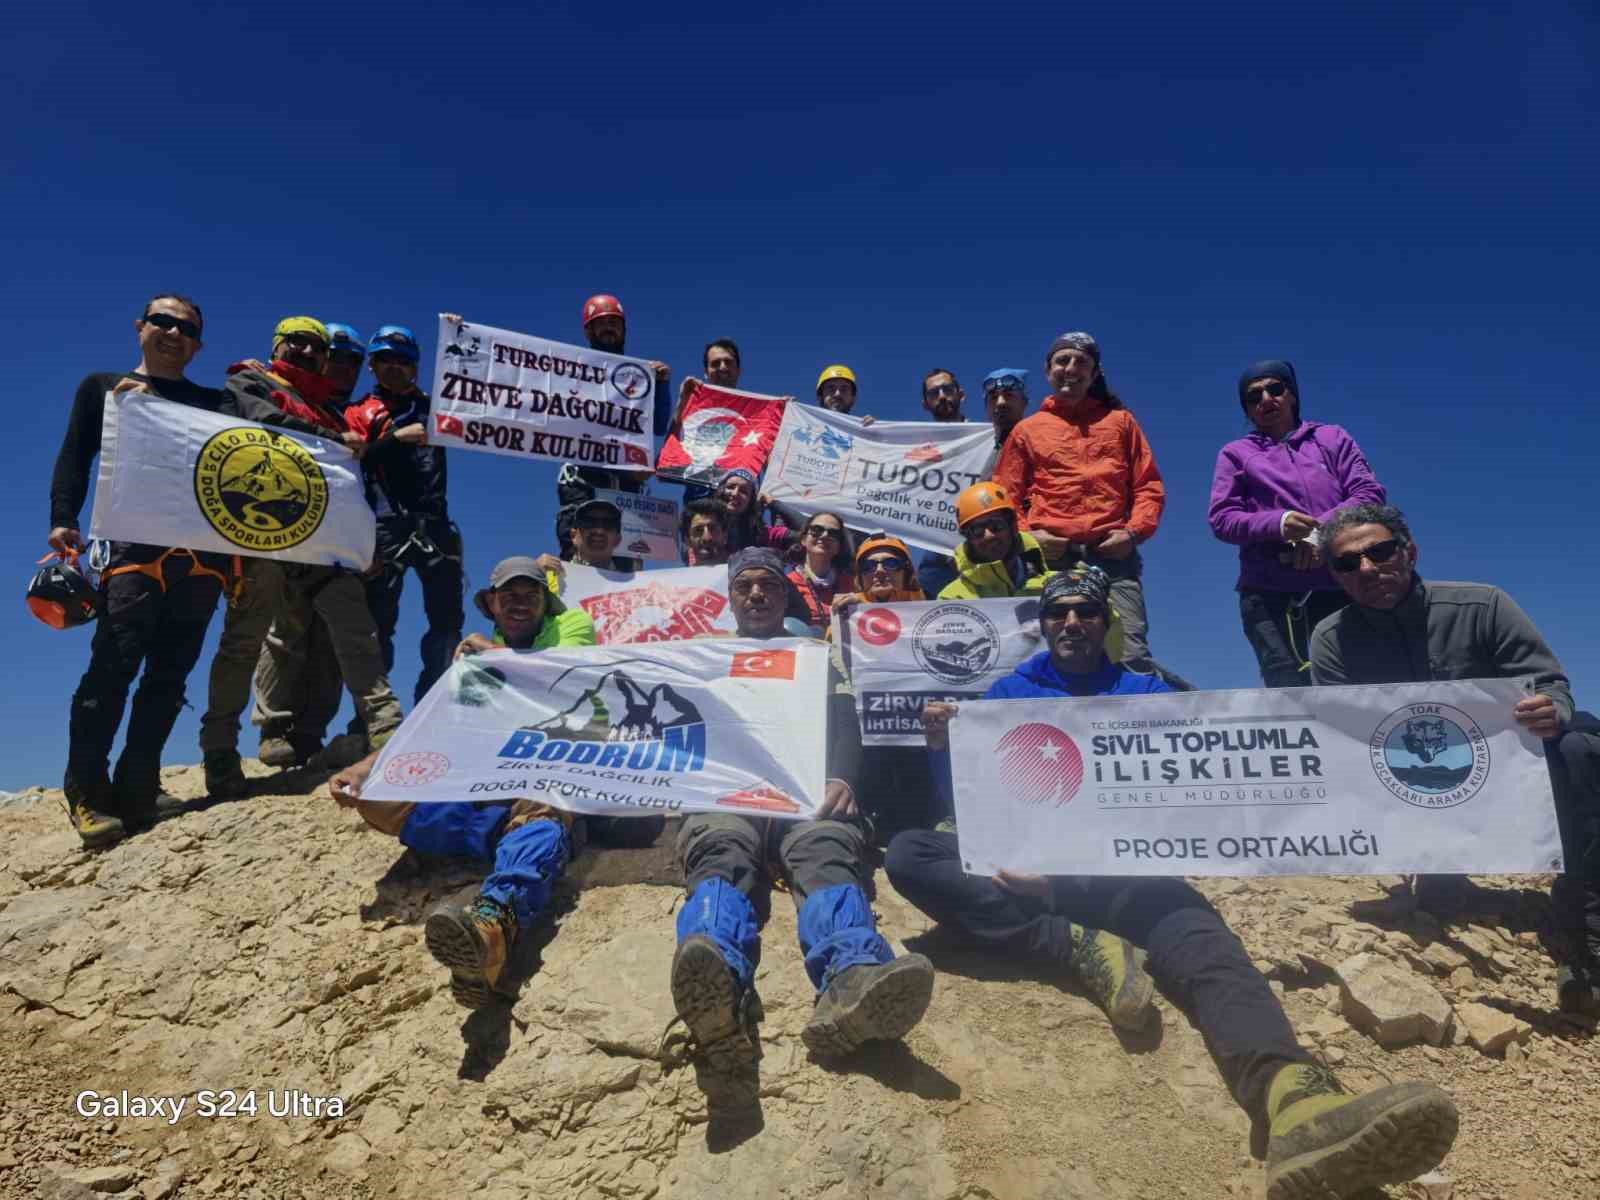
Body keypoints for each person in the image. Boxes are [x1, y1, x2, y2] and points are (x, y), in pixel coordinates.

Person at [888, 566, 1460, 1200]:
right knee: (912, 853)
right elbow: (968, 806)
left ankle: (1296, 1102)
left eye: (1085, 611)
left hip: (1134, 881)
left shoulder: (1149, 694)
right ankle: (1074, 944)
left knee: (1213, 955)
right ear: (1044, 625)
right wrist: (945, 747)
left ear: (1106, 622)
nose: (1072, 622)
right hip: (1033, 882)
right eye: (1058, 613)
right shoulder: (1001, 698)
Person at [670, 548, 935, 1109]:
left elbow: (846, 719)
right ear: (731, 599)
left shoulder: (815, 653)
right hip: (729, 796)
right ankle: (714, 974)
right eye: (746, 587)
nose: (758, 595)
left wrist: (844, 776)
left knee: (826, 850)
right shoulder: (701, 657)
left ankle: (853, 976)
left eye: (769, 585)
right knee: (719, 849)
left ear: (787, 596)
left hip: (802, 795)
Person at [1309, 503, 1600, 1012]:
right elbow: (1344, 742)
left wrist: (1552, 709)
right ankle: (1441, 875)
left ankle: (1585, 928)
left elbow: (1550, 682)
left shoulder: (1483, 605)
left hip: (1514, 763)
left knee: (1579, 748)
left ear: (1410, 551)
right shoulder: (1329, 641)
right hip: (1416, 775)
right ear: (1335, 575)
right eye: (1347, 563)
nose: (1367, 569)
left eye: (1379, 551)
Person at [328, 557, 596, 1008]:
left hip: (538, 778)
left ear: (543, 605)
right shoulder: (474, 669)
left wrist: (492, 656)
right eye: (508, 594)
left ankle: (494, 927)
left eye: (530, 595)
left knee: (545, 800)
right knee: (375, 796)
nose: (519, 602)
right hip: (477, 790)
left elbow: (562, 675)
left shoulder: (563, 639)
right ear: (490, 604)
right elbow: (433, 728)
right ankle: (496, 840)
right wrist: (364, 769)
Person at [48, 293, 233, 846]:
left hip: (202, 559)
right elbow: (75, 454)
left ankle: (138, 785)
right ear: (139, 327)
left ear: (198, 344)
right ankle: (85, 791)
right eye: (163, 321)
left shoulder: (215, 404)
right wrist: (63, 517)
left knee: (170, 675)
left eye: (186, 328)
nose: (174, 332)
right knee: (114, 664)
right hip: (133, 551)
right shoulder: (105, 389)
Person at [199, 316, 403, 798]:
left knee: (356, 633)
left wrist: (362, 543)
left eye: (317, 348)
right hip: (261, 536)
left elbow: (353, 487)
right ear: (277, 346)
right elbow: (260, 420)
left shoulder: (330, 411)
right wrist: (331, 440)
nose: (309, 354)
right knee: (245, 641)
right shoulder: (249, 381)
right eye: (299, 344)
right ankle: (221, 753)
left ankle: (387, 729)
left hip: (322, 544)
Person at [994, 332, 1167, 675]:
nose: (1071, 368)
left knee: (1131, 656)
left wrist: (1132, 534)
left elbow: (1148, 486)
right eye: (1062, 361)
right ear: (1048, 371)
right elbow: (1005, 498)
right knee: (1043, 660)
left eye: (1081, 362)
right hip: (1049, 565)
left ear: (1094, 372)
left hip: (1114, 563)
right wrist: (1031, 540)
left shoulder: (1121, 422)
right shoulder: (1027, 430)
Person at [1209, 361, 1386, 688]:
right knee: (1288, 692)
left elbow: (1369, 493)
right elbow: (1222, 519)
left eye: (1275, 388)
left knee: (1357, 686)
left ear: (1292, 395)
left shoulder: (1331, 438)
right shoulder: (1234, 454)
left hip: (1342, 586)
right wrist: (1279, 523)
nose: (1265, 398)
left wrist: (1321, 534)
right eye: (1253, 396)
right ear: (1247, 410)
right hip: (1268, 596)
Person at [342, 325, 464, 705]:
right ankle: (373, 715)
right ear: (372, 366)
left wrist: (460, 337)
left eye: (404, 361)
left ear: (416, 366)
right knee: (378, 624)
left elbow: (490, 403)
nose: (395, 368)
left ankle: (433, 705)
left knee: (446, 623)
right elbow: (350, 462)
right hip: (384, 527)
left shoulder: (440, 406)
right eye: (385, 360)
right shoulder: (359, 410)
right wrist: (396, 438)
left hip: (437, 525)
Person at [828, 534, 942, 839]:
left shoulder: (934, 616)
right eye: (869, 565)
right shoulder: (844, 618)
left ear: (907, 571)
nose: (879, 570)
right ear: (860, 577)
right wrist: (856, 613)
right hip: (870, 732)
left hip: (924, 733)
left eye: (890, 562)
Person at [553, 294, 672, 561]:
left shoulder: (638, 378)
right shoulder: (570, 370)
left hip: (627, 490)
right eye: (602, 323)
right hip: (583, 484)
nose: (609, 328)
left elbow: (657, 425)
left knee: (627, 568)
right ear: (588, 330)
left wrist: (661, 385)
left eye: (614, 323)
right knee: (579, 562)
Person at [937, 482, 1054, 600]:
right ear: (967, 538)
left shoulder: (1056, 588)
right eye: (977, 529)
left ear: (1013, 526)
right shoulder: (952, 599)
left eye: (996, 525)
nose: (988, 535)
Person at [786, 511, 855, 630]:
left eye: (833, 533)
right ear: (803, 539)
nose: (824, 536)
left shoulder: (853, 584)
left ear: (839, 547)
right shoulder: (787, 583)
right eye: (817, 530)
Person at [715, 468, 791, 555]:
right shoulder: (702, 524)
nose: (735, 493)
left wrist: (774, 504)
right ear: (719, 490)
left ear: (750, 502)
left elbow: (804, 535)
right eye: (730, 487)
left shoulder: (762, 534)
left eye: (743, 491)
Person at [982, 368, 1029, 451]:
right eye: (994, 397)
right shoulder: (976, 448)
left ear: (1024, 401)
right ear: (986, 406)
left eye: (1008, 395)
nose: (1000, 402)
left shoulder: (1040, 439)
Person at [323, 323, 366, 411]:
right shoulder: (292, 403)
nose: (344, 366)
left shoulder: (366, 420)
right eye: (335, 357)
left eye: (353, 360)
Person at [681, 498, 733, 567]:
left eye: (713, 529)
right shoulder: (675, 577)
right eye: (698, 530)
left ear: (725, 536)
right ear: (687, 540)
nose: (707, 537)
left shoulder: (744, 575)